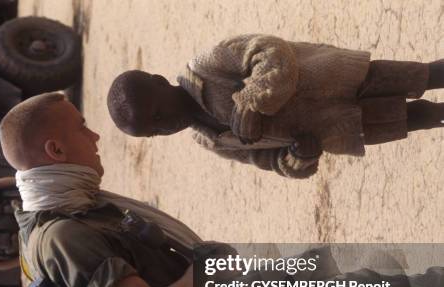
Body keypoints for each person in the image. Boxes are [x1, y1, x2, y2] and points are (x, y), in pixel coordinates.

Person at [1, 93, 444, 287]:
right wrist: (205, 266)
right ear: (55, 149)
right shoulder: (62, 237)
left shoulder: (53, 224)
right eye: (81, 127)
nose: (95, 135)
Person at [107, 34, 444, 178]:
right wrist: (301, 156)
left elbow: (270, 50)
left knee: (424, 76)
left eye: (156, 113)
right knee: (422, 117)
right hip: (342, 127)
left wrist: (253, 102)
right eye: (154, 131)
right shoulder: (211, 138)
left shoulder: (206, 66)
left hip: (343, 77)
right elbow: (267, 160)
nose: (163, 124)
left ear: (157, 80)